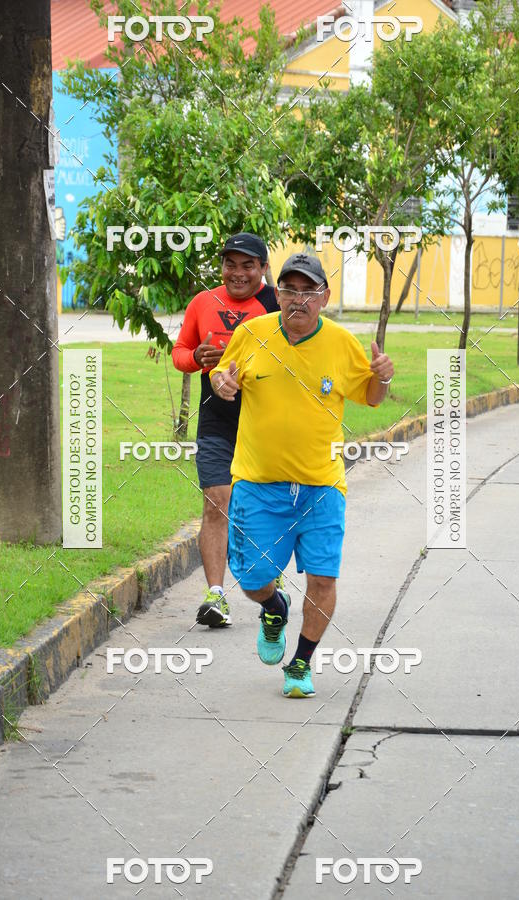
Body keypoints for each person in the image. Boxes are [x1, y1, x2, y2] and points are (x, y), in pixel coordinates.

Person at [209, 252, 394, 697]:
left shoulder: (342, 343)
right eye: (289, 290)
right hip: (258, 484)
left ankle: (300, 663)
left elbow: (370, 396)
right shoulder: (252, 333)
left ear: (323, 297)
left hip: (322, 487)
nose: (297, 300)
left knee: (324, 578)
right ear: (279, 293)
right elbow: (223, 373)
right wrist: (221, 382)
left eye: (308, 291)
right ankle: (274, 608)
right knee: (252, 578)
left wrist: (382, 378)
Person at [171, 233, 280, 628]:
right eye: (230, 264)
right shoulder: (202, 302)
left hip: (265, 424)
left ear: (263, 269)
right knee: (217, 500)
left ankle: (269, 582)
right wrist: (196, 357)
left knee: (261, 508)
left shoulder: (276, 306)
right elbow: (179, 352)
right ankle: (216, 595)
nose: (237, 273)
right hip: (216, 420)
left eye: (247, 265)